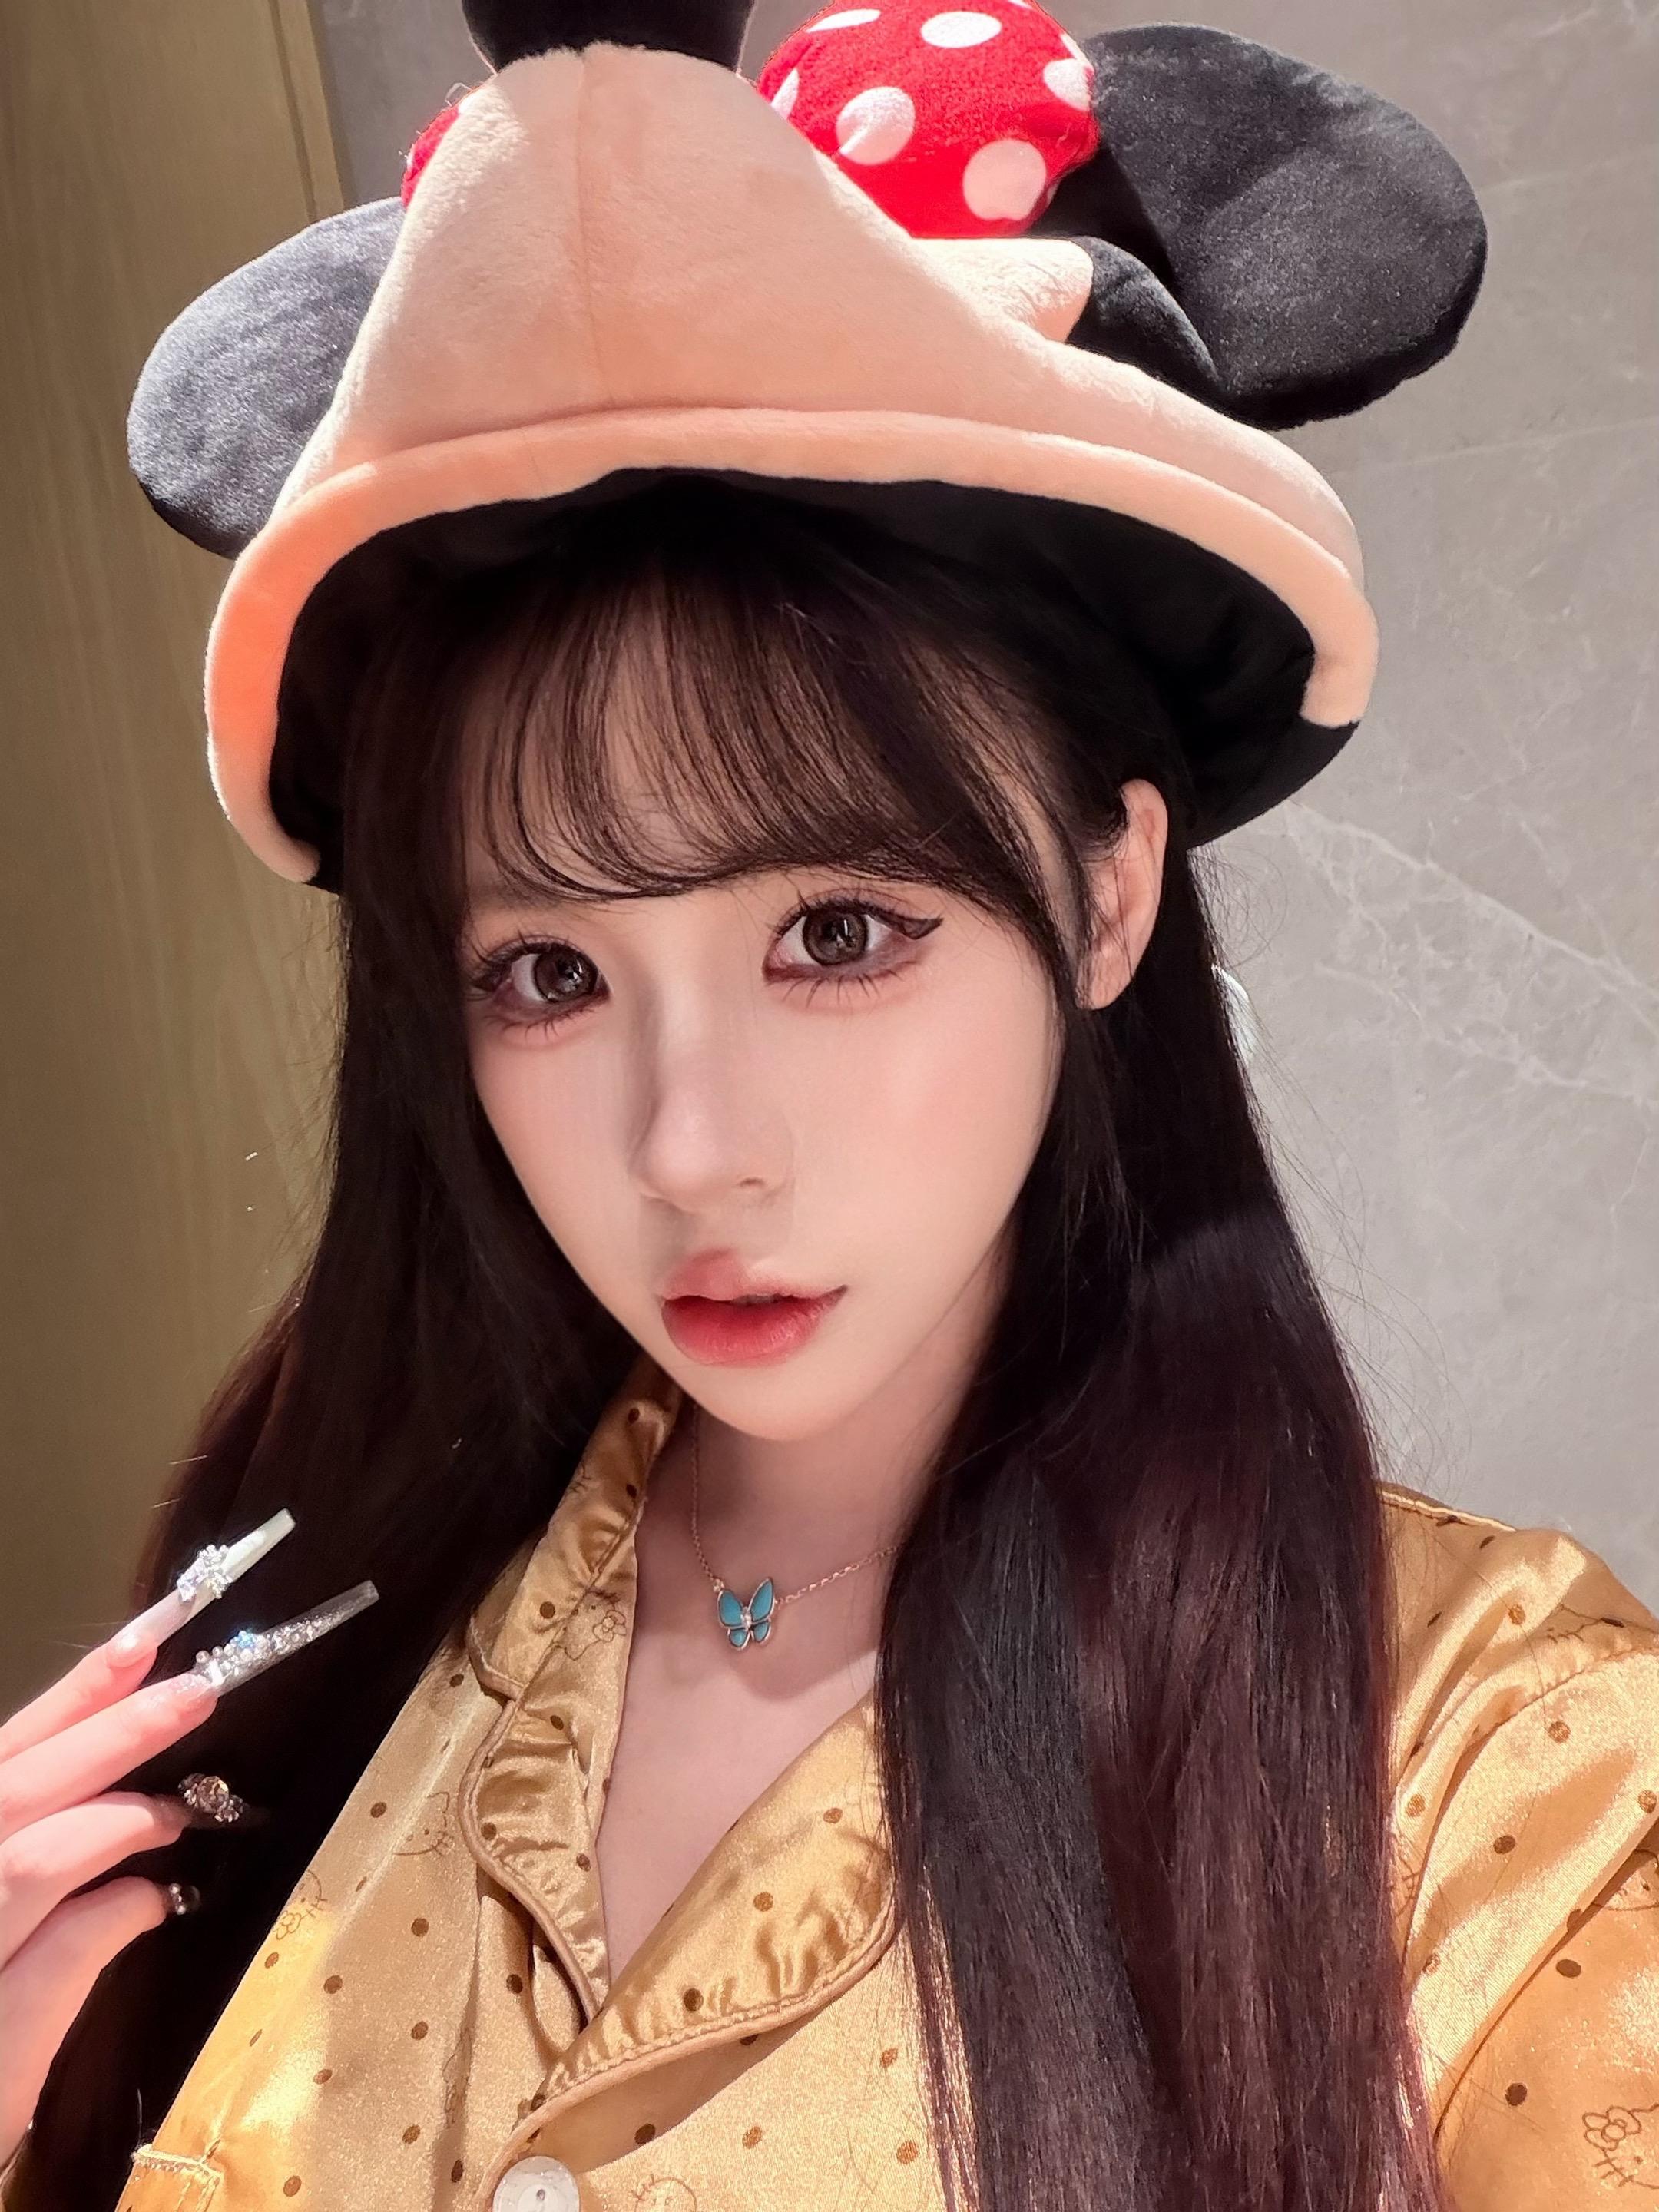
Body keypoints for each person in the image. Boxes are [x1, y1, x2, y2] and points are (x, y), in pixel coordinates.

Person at [2, 4, 1655, 2209]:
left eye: (840, 932)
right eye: (549, 974)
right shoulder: (306, 1669)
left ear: (1104, 894)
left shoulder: (1498, 1796)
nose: (691, 1148)